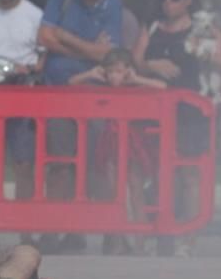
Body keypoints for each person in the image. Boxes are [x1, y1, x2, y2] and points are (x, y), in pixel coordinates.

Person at [133, 0, 221, 258]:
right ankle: (158, 232)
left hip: (192, 110)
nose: (168, 2)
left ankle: (188, 237)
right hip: (155, 111)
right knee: (156, 172)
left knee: (190, 173)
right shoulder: (153, 27)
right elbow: (135, 61)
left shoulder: (202, 27)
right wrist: (152, 64)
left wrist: (201, 51)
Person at [36, 0, 125, 255]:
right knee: (60, 164)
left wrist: (66, 37)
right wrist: (86, 48)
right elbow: (45, 37)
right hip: (59, 94)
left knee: (96, 165)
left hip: (95, 97)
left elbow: (107, 56)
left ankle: (108, 233)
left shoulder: (113, 4)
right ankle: (54, 230)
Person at [70, 48, 166, 255]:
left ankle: (140, 239)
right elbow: (71, 84)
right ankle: (119, 240)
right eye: (111, 71)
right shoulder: (101, 87)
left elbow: (162, 86)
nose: (115, 76)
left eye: (120, 71)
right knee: (115, 193)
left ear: (128, 71)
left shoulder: (136, 87)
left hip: (133, 140)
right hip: (110, 141)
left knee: (136, 189)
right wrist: (90, 74)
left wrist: (137, 77)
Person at [0, 0, 42, 221]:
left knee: (24, 162)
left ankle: (24, 225)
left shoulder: (35, 15)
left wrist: (29, 70)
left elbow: (44, 56)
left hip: (24, 95)